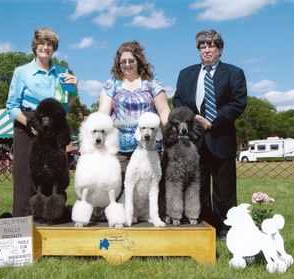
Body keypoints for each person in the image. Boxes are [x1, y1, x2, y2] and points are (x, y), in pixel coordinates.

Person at [173, 29, 247, 238]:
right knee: (198, 188)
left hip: (221, 139)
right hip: (194, 141)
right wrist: (192, 118)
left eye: (211, 46)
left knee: (224, 191)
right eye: (202, 46)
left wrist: (213, 122)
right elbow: (178, 101)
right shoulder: (185, 74)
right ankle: (204, 228)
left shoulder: (234, 73)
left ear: (220, 50)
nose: (207, 50)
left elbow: (238, 102)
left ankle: (226, 231)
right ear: (198, 51)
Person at [6, 28, 78, 217]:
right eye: (42, 43)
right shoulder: (22, 72)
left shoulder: (63, 73)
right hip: (27, 123)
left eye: (50, 44)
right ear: (35, 46)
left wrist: (75, 91)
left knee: (56, 175)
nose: (45, 47)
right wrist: (29, 124)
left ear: (54, 49)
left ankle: (54, 218)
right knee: (25, 176)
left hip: (53, 127)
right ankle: (23, 222)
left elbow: (64, 109)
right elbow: (12, 106)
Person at [99, 40, 170, 190]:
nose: (127, 64)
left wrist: (172, 134)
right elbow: (103, 114)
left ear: (138, 61)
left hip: (149, 148)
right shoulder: (111, 84)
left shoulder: (152, 83)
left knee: (149, 190)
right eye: (122, 61)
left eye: (131, 60)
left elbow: (164, 111)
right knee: (121, 190)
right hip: (119, 149)